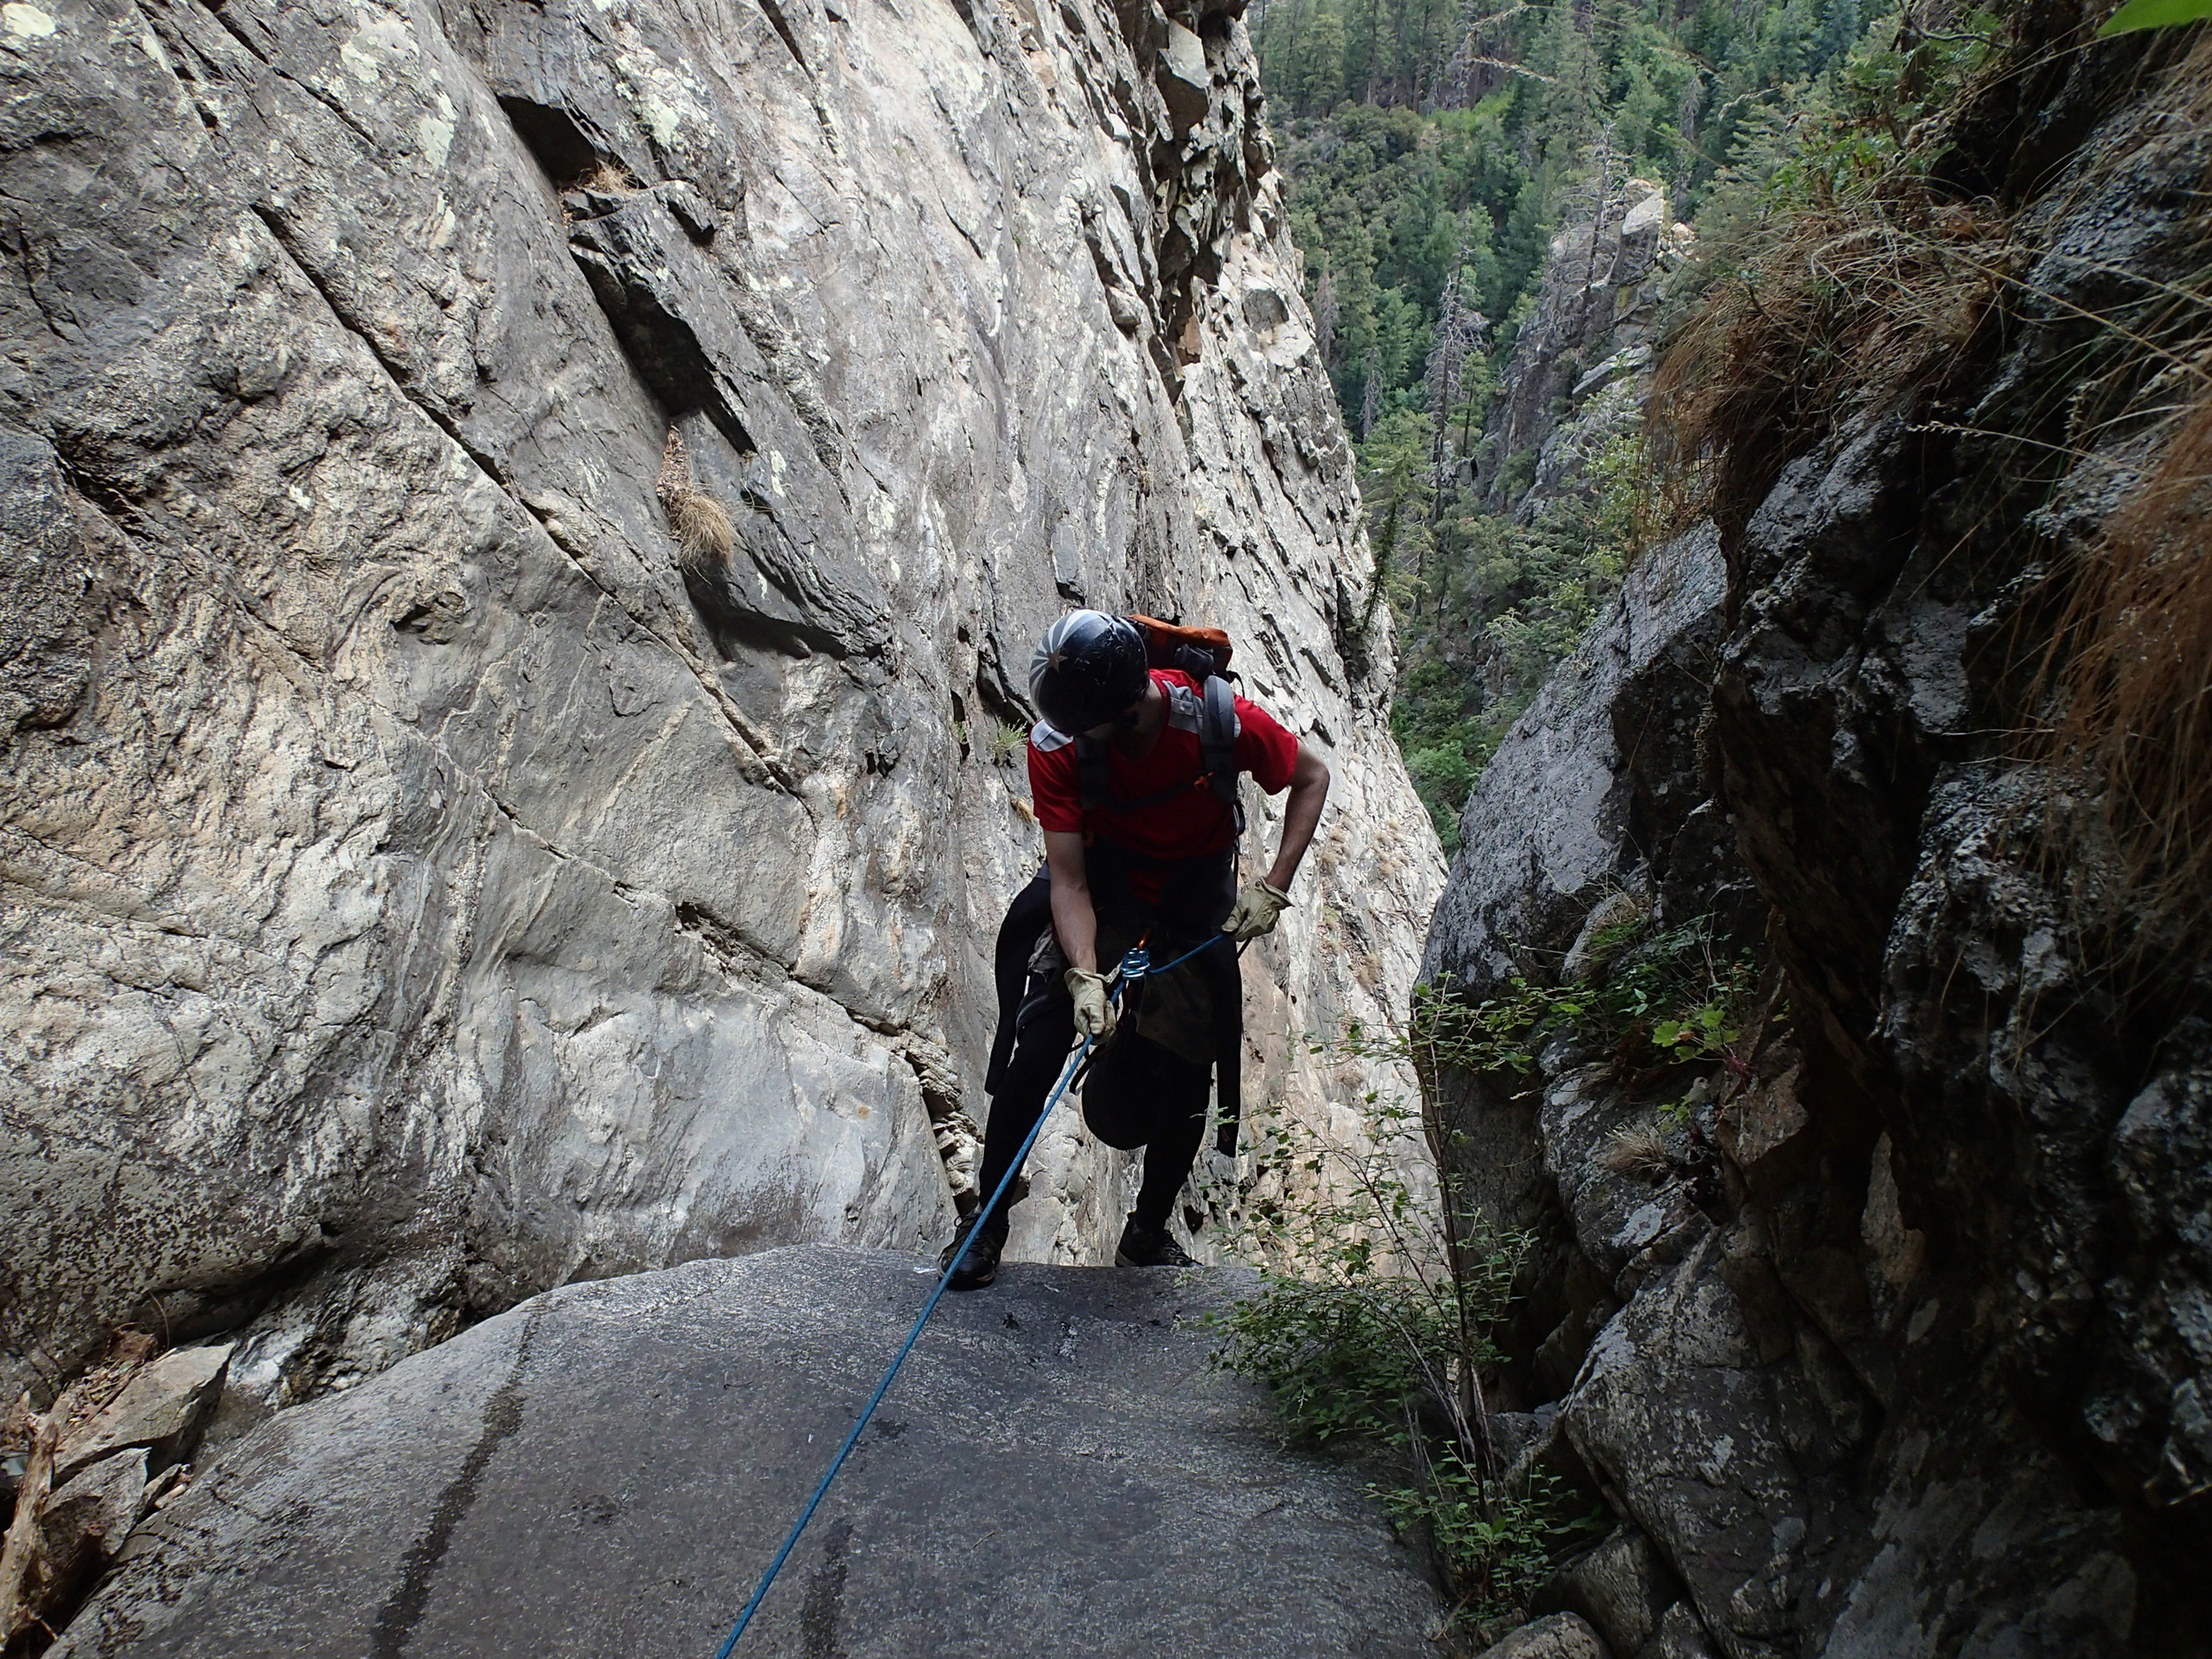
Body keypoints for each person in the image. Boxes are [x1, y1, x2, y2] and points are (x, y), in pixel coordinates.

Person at [942, 610, 1331, 1291]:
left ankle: (1146, 1233)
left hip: (1192, 895)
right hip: (1104, 880)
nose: (1065, 736)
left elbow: (1312, 776)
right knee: (1037, 1045)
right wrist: (1086, 976)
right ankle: (987, 1224)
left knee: (1187, 1072)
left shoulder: (1217, 722)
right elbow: (1066, 878)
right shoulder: (1060, 741)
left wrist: (1274, 888)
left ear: (1124, 713)